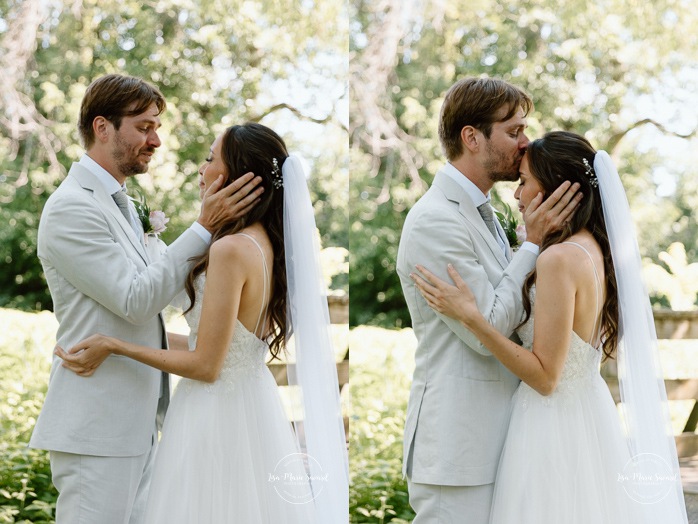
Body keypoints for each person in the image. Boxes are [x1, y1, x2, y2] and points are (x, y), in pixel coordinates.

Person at [56, 122, 349, 522]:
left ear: (237, 176)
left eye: (211, 159)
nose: (201, 168)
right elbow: (225, 346)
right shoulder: (263, 243)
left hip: (213, 415)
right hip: (249, 405)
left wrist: (116, 345)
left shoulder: (230, 249)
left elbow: (206, 365)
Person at [412, 131, 688, 523]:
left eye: (524, 182)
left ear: (556, 189)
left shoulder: (557, 259)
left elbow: (545, 377)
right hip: (587, 417)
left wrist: (473, 318)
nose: (517, 194)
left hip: (550, 428)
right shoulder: (591, 247)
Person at [29, 74, 263, 524]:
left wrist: (245, 246)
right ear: (102, 127)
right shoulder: (71, 208)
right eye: (144, 126)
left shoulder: (125, 203)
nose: (156, 140)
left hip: (142, 426)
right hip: (96, 429)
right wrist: (202, 229)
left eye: (157, 127)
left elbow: (169, 292)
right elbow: (135, 301)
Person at [395, 77, 581, 523]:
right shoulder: (435, 222)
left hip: (503, 441)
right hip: (459, 451)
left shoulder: (489, 213)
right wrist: (532, 246)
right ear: (472, 137)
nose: (525, 142)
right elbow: (489, 329)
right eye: (514, 131)